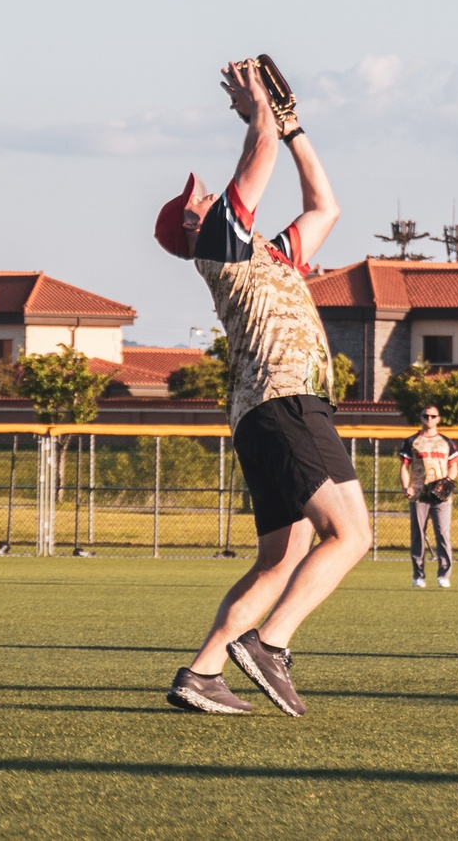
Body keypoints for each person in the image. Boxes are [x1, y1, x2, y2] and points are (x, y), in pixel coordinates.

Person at [154, 60, 372, 717]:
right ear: (193, 225)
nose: (204, 199)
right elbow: (260, 153)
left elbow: (325, 208)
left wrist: (294, 125)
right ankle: (271, 645)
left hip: (263, 412)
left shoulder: (268, 257)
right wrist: (261, 117)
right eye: (195, 202)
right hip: (285, 400)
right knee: (353, 535)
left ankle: (202, 673)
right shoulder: (217, 241)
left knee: (283, 557)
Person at [399, 407, 458, 588]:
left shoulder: (445, 442)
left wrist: (448, 481)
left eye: (433, 416)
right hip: (419, 493)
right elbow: (404, 467)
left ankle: (444, 574)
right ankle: (418, 575)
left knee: (442, 534)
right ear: (421, 418)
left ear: (438, 419)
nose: (429, 419)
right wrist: (406, 486)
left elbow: (454, 466)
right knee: (418, 535)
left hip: (441, 495)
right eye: (426, 416)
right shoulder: (412, 441)